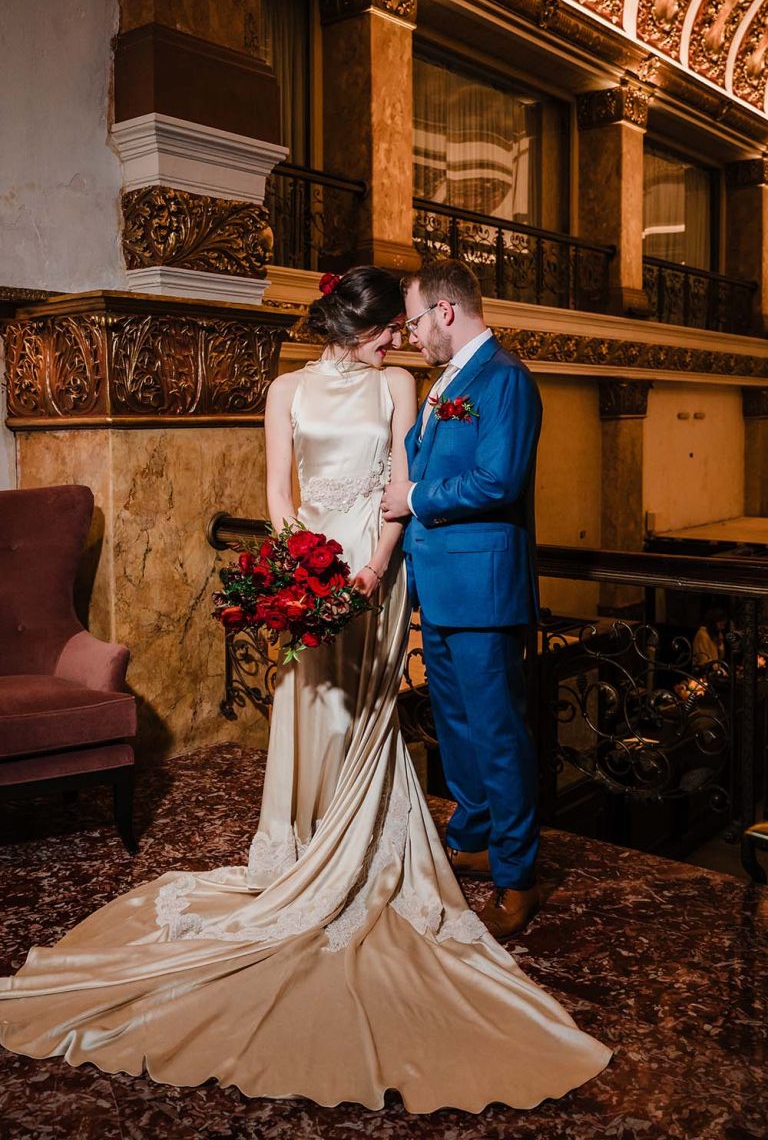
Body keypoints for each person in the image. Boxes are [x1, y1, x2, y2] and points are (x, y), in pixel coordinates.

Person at [0, 267, 610, 1112]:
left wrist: (370, 566)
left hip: (385, 571)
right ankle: (316, 835)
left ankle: (479, 854)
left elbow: (407, 487)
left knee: (410, 713)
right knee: (331, 705)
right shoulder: (287, 387)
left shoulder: (415, 384)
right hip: (316, 568)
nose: (399, 338)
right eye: (386, 328)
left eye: (406, 325)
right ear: (351, 327)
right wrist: (298, 568)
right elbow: (279, 493)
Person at [382, 259, 542, 942]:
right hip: (440, 588)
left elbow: (496, 481)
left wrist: (414, 498)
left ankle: (517, 876)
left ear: (445, 312)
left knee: (499, 736)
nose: (411, 336)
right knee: (457, 727)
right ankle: (474, 836)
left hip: (484, 591)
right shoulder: (447, 382)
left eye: (414, 321)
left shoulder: (504, 379)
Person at [692, 607, 727, 672]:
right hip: (703, 673)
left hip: (713, 671)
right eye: (721, 624)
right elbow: (704, 661)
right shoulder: (702, 634)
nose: (723, 627)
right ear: (713, 623)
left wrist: (720, 644)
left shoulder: (714, 634)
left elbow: (720, 658)